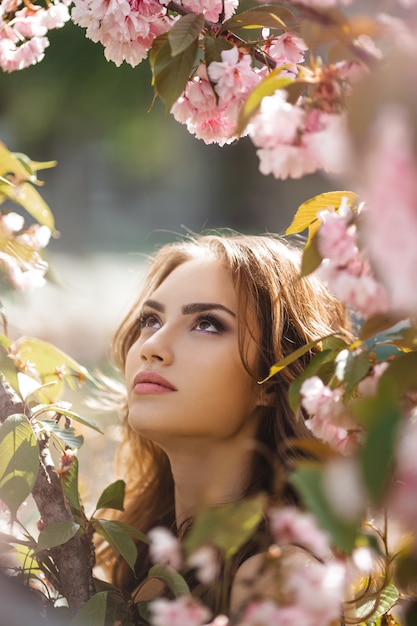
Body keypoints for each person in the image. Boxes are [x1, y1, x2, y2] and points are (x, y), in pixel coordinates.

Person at [101, 233, 352, 617]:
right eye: (151, 320)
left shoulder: (277, 580)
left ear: (274, 382)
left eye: (207, 324)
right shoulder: (136, 555)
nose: (153, 346)